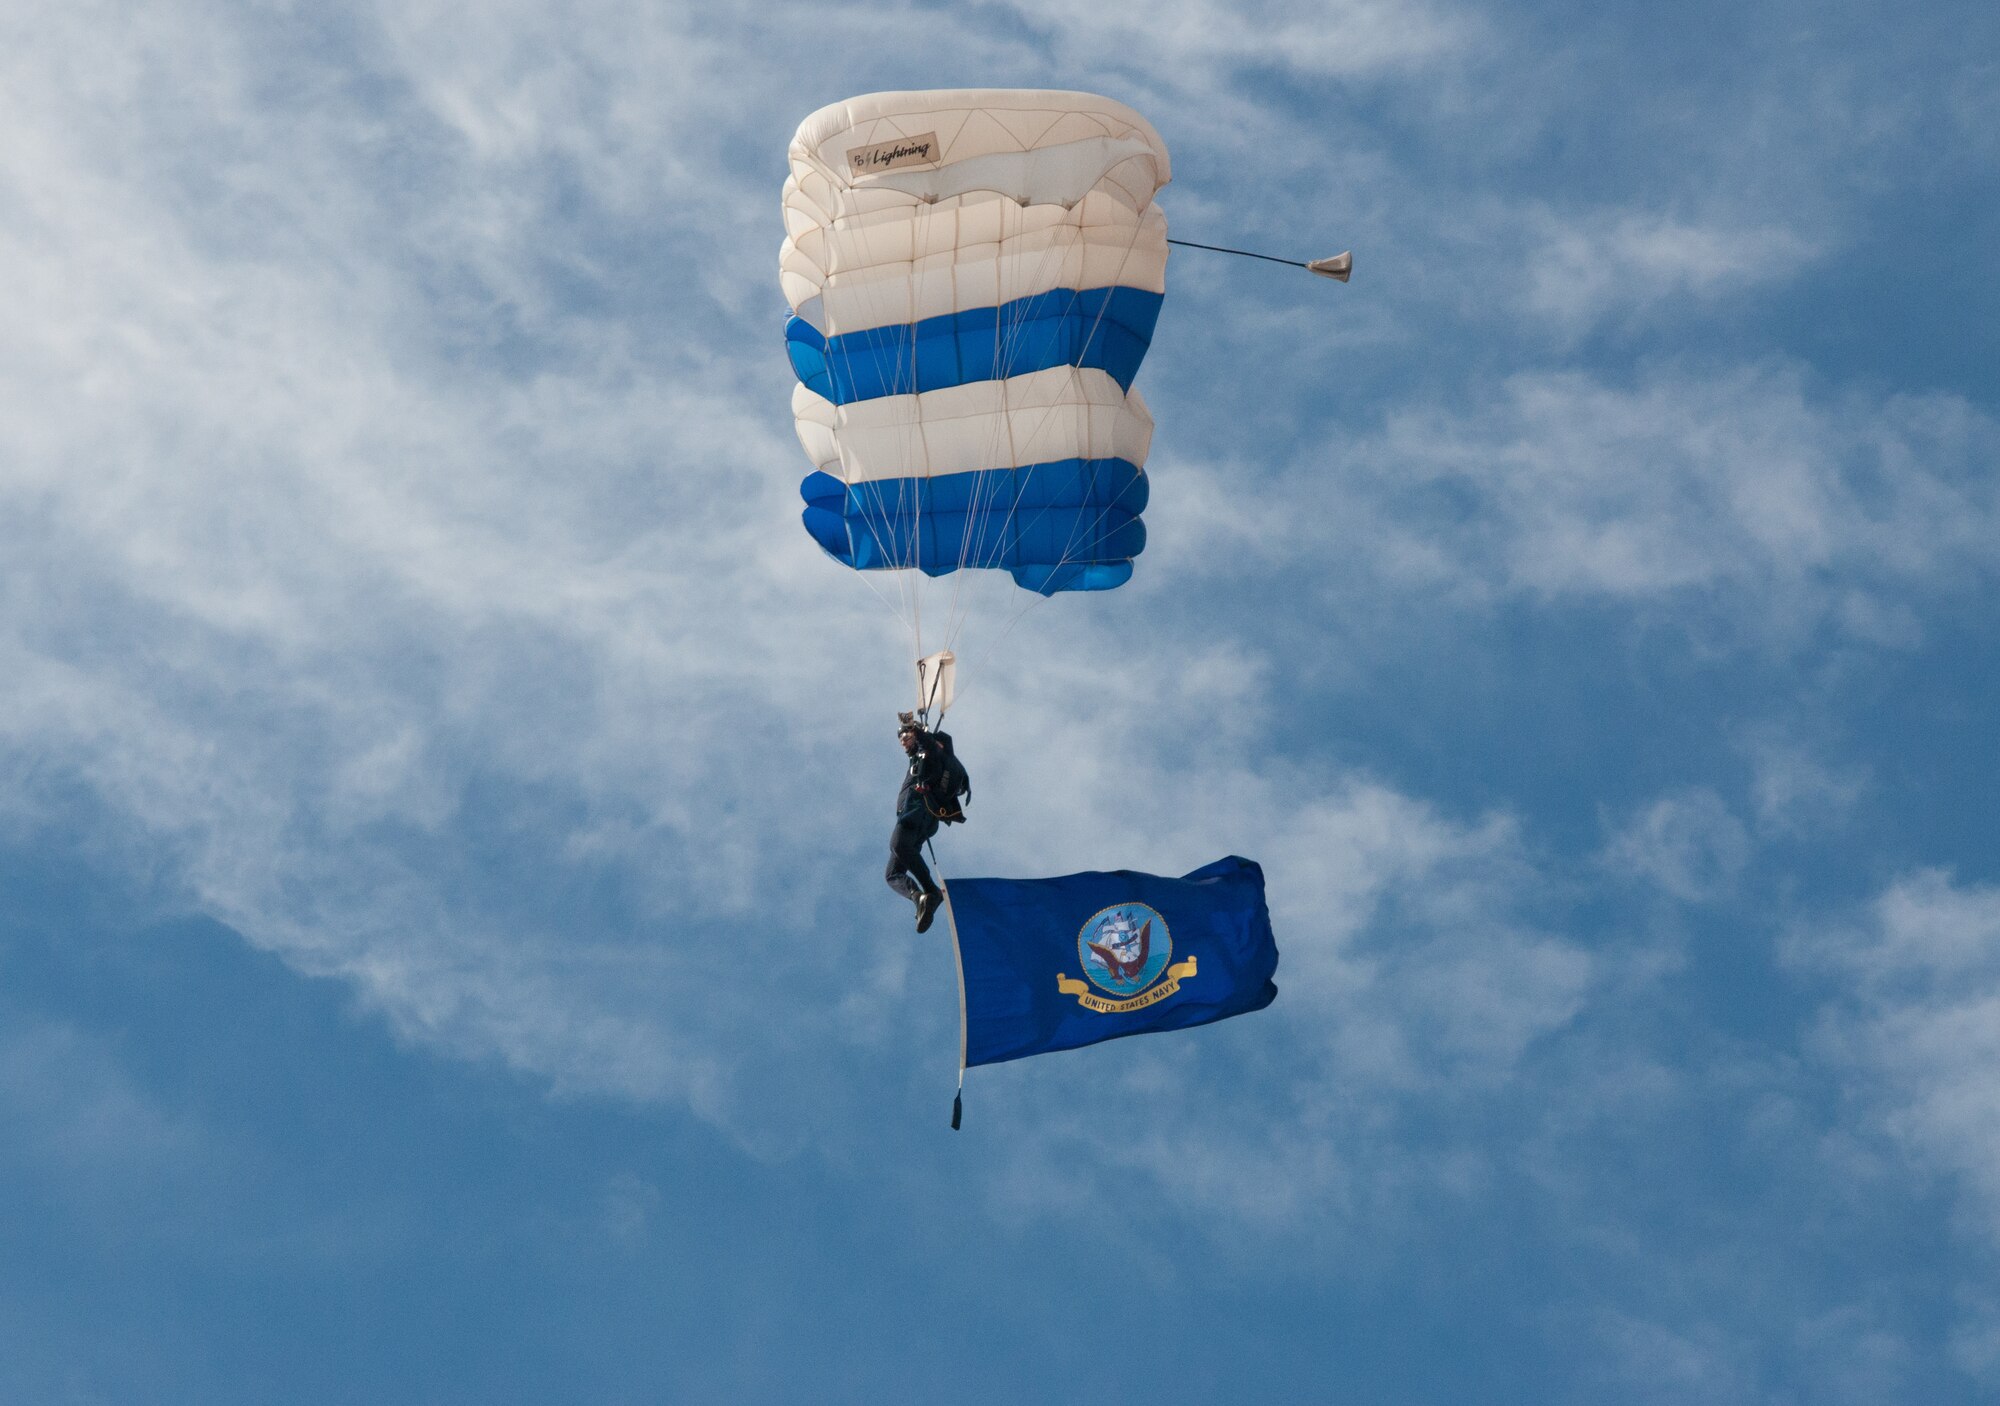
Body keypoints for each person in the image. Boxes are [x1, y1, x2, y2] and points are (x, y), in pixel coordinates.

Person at [887, 712, 946, 932]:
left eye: (906, 735)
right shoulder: (916, 758)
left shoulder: (927, 752)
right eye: (900, 737)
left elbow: (932, 748)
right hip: (913, 817)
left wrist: (916, 728)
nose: (903, 740)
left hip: (917, 813)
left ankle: (932, 892)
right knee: (892, 873)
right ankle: (920, 898)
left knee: (897, 845)